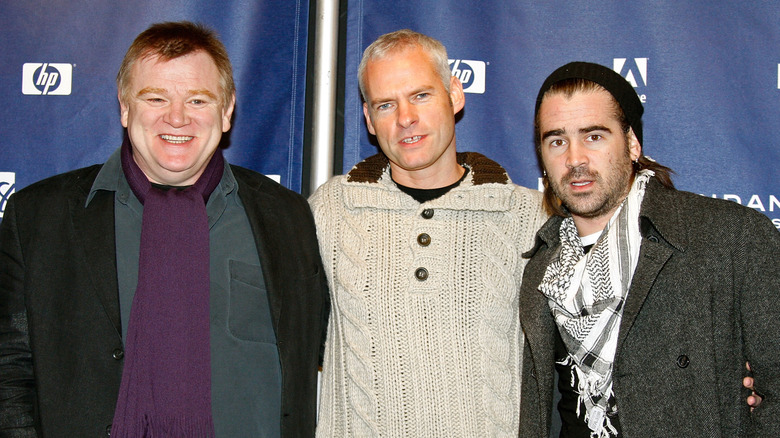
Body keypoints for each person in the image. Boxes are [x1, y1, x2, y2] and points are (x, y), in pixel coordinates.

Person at [0, 21, 328, 437]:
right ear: (124, 106)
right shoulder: (37, 218)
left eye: (198, 100)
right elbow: (9, 372)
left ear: (227, 111)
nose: (177, 117)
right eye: (155, 97)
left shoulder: (287, 217)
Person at [518, 61, 780, 437]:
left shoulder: (729, 236)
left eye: (594, 136)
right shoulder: (544, 267)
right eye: (557, 140)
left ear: (633, 144)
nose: (574, 159)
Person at [309, 29, 548, 437]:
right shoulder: (329, 210)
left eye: (420, 95)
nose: (405, 119)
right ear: (368, 118)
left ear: (455, 95)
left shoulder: (529, 217)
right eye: (386, 104)